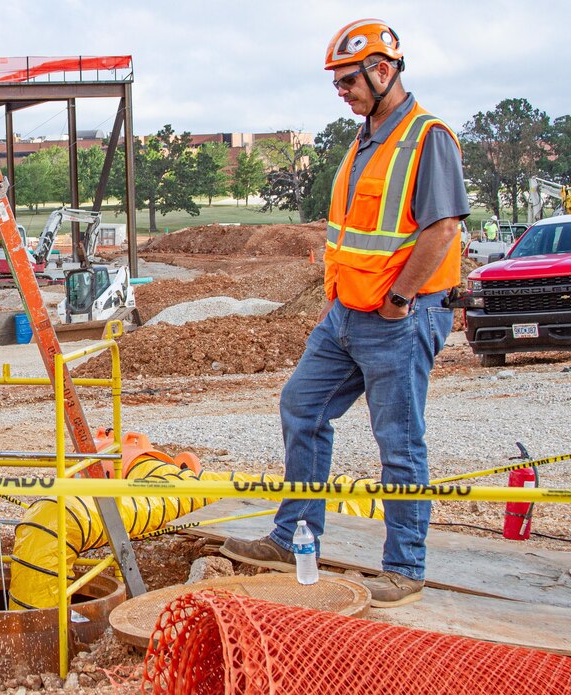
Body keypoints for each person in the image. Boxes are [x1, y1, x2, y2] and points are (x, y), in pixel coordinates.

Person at [220, 19, 469, 609]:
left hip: (398, 318)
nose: (342, 91)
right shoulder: (364, 139)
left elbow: (443, 229)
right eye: (336, 83)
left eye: (349, 80)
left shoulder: (426, 138)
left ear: (384, 71)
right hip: (345, 315)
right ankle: (293, 535)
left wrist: (400, 300)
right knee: (301, 405)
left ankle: (405, 567)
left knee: (399, 444)